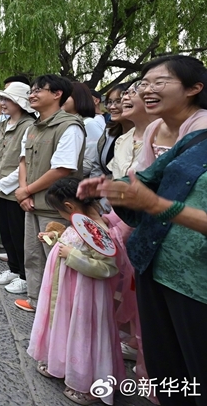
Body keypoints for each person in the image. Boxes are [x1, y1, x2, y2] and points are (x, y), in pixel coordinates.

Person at [78, 54, 207, 403]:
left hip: (196, 282)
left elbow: (154, 198)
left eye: (159, 82)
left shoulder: (199, 129)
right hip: (155, 265)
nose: (147, 90)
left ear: (195, 88)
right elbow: (146, 179)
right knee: (169, 369)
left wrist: (158, 206)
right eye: (143, 83)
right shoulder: (186, 138)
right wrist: (112, 188)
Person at [28, 178, 123, 406]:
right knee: (64, 325)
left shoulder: (98, 230)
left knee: (83, 332)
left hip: (85, 294)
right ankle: (60, 363)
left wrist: (71, 255)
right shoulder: (80, 223)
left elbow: (107, 268)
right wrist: (55, 238)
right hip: (67, 290)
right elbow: (73, 243)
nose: (60, 215)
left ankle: (87, 382)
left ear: (69, 206)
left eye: (59, 211)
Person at [14, 75, 85, 313]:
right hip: (32, 203)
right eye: (31, 91)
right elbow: (23, 161)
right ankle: (36, 300)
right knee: (33, 255)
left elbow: (63, 169)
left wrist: (26, 191)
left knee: (57, 259)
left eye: (38, 90)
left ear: (57, 94)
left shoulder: (69, 126)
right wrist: (24, 194)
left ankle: (59, 310)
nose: (32, 95)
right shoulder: (33, 127)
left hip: (54, 207)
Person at [0, 82, 35, 295]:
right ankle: (14, 269)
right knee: (6, 233)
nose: (2, 103)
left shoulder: (29, 126)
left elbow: (25, 163)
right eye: (2, 99)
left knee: (19, 235)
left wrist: (2, 183)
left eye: (7, 99)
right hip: (0, 186)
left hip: (15, 189)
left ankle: (25, 276)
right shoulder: (5, 124)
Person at [108, 82, 152, 179]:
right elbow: (115, 179)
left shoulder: (163, 139)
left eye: (133, 92)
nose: (125, 98)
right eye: (125, 93)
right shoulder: (121, 140)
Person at [63, 82, 104, 177]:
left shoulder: (89, 123)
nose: (61, 99)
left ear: (79, 98)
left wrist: (62, 171)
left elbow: (91, 162)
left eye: (67, 96)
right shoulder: (64, 123)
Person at [94, 85, 132, 177]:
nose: (112, 107)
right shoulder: (108, 132)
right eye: (109, 102)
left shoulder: (146, 135)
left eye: (118, 101)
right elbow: (97, 167)